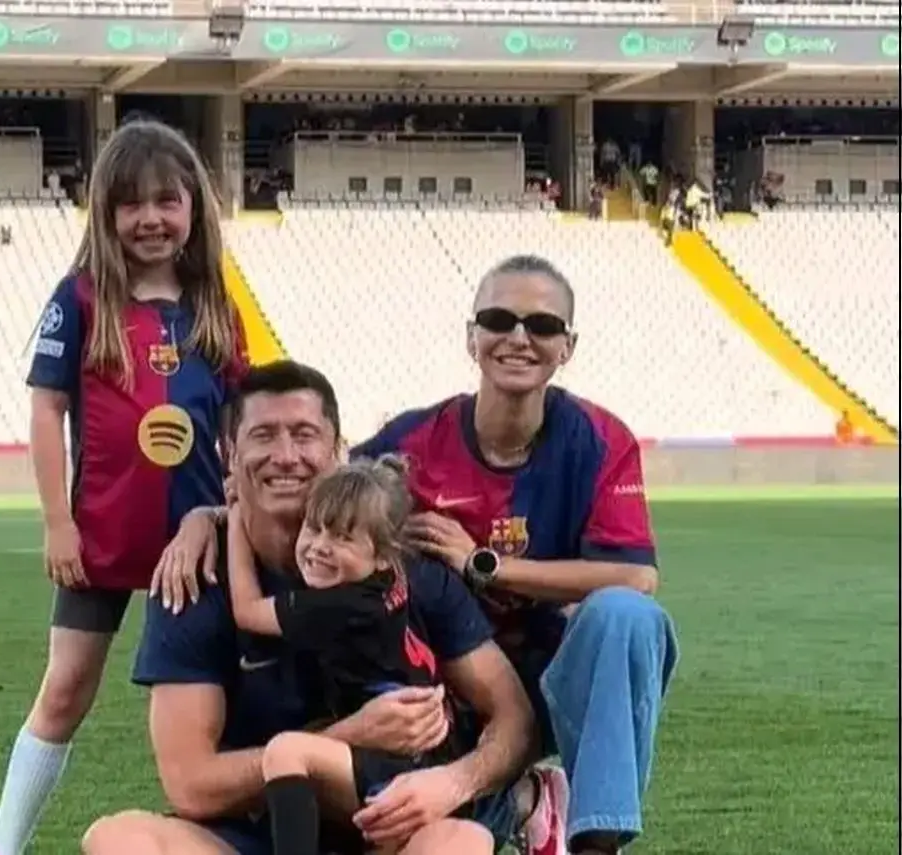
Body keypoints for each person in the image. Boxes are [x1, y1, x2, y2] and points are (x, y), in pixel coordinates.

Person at [81, 361, 539, 855]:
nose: (285, 456)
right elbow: (190, 785)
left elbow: (514, 717)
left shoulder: (402, 565)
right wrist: (346, 736)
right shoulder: (193, 577)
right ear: (228, 454)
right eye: (263, 436)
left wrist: (452, 783)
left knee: (459, 843)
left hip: (387, 825)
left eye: (304, 435)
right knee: (118, 840)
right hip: (264, 831)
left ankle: (526, 803)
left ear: (339, 450)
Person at [0, 119, 248, 855]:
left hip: (198, 547)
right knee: (65, 689)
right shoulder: (79, 298)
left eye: (167, 201)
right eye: (131, 204)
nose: (150, 219)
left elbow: (241, 417)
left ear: (194, 207)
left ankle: (223, 834)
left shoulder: (215, 304)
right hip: (99, 538)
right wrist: (56, 523)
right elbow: (47, 409)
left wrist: (232, 514)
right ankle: (2, 846)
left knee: (217, 702)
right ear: (105, 212)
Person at [353, 254, 679, 855]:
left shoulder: (599, 439)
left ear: (567, 347)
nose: (519, 338)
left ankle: (595, 843)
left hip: (548, 681)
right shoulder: (410, 442)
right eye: (499, 320)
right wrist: (209, 517)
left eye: (543, 325)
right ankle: (525, 801)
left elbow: (637, 576)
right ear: (471, 337)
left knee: (627, 617)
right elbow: (316, 501)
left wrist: (485, 564)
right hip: (439, 680)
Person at [225, 457, 462, 855]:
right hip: (428, 750)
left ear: (384, 554)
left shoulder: (342, 605)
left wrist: (235, 518)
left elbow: (247, 611)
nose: (320, 546)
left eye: (342, 538)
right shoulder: (388, 575)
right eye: (313, 527)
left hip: (406, 766)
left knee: (285, 751)